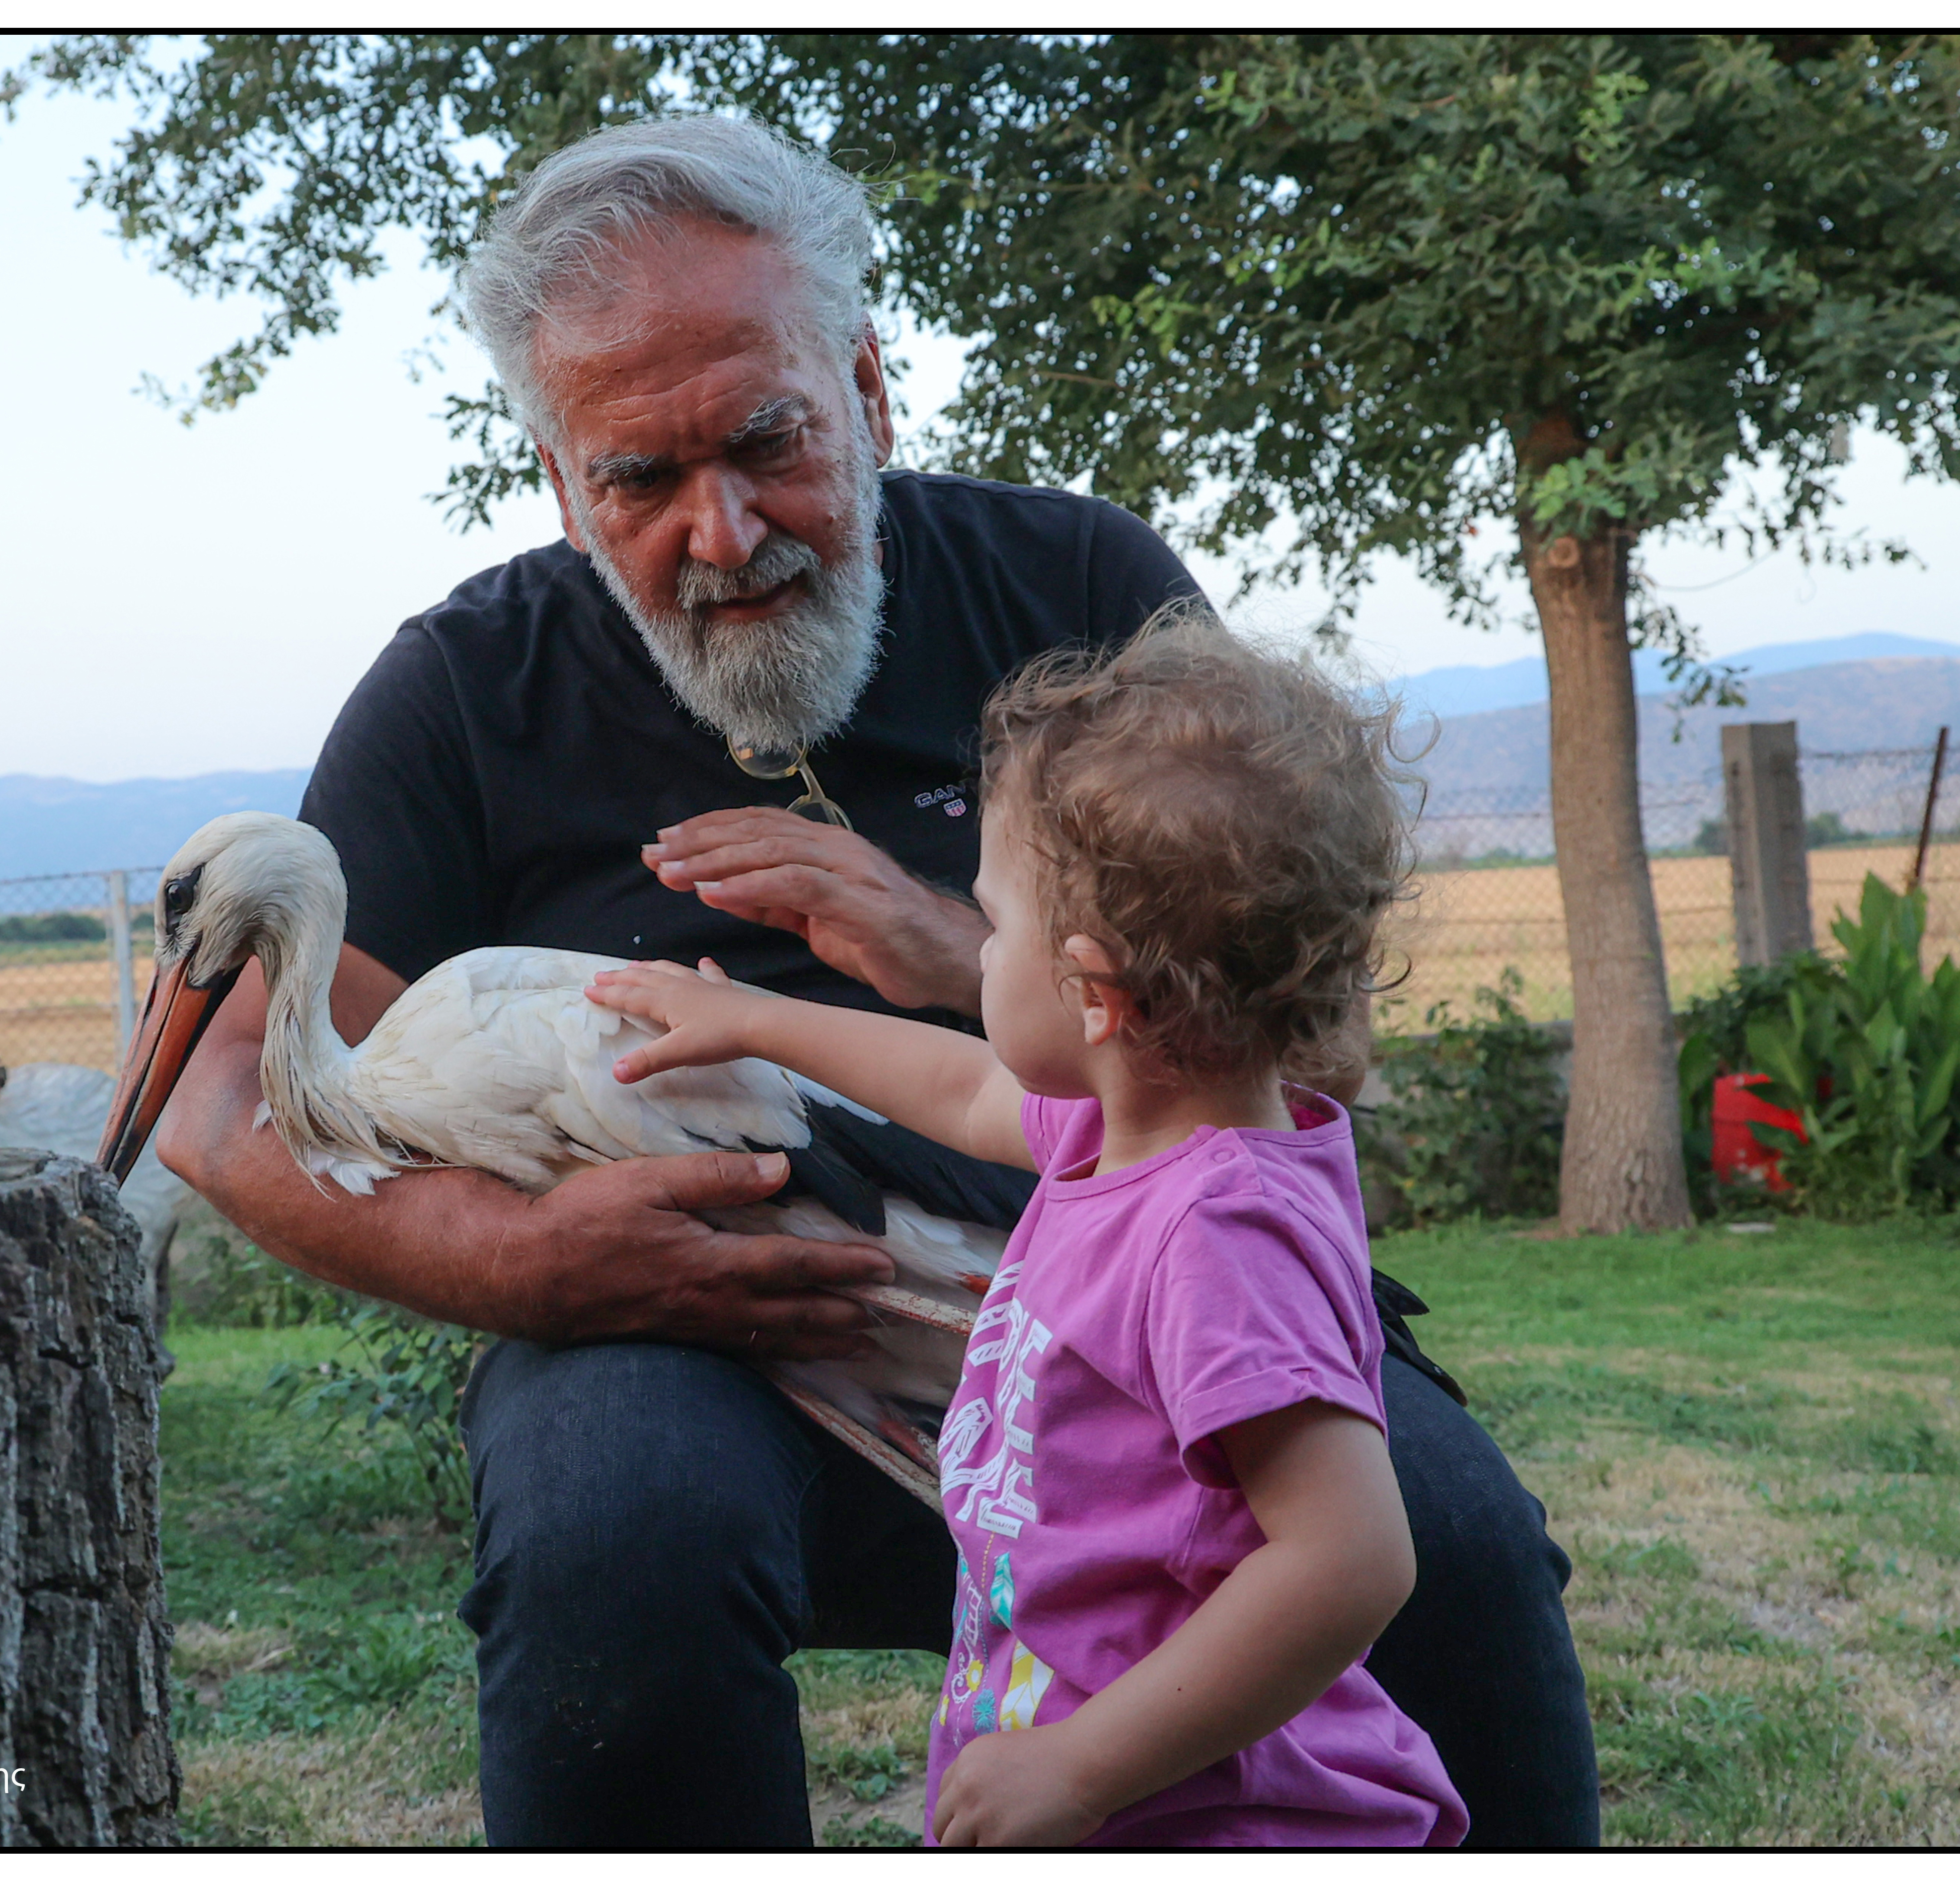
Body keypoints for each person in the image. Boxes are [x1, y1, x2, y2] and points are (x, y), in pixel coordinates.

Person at [153, 113, 1597, 1848]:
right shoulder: (461, 693)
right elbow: (225, 1104)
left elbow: (1318, 1023)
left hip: (1149, 1276)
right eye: (639, 479)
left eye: (768, 441)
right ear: (556, 479)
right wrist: (530, 1263)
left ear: (867, 388)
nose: (724, 532)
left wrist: (946, 944)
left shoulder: (1084, 593)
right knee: (620, 1547)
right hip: (658, 1326)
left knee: (1445, 1544)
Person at [586, 614, 1465, 1847]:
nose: (974, 946)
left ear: (1096, 993)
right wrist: (756, 1024)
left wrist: (1086, 1767)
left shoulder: (1216, 1234)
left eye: (991, 924)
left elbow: (1349, 1560)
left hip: (1214, 1812)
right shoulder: (1127, 1129)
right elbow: (961, 1088)